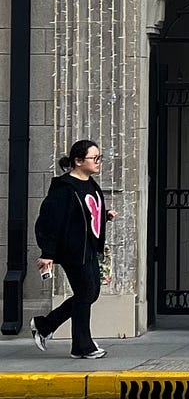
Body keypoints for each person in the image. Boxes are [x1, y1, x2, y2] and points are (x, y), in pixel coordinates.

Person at [31, 139, 116, 361]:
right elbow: (50, 222)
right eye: (94, 158)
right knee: (86, 293)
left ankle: (45, 325)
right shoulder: (65, 188)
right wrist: (47, 253)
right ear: (78, 161)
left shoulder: (90, 183)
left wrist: (104, 216)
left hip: (90, 248)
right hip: (73, 251)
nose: (98, 162)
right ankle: (82, 346)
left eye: (99, 157)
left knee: (90, 293)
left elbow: (84, 214)